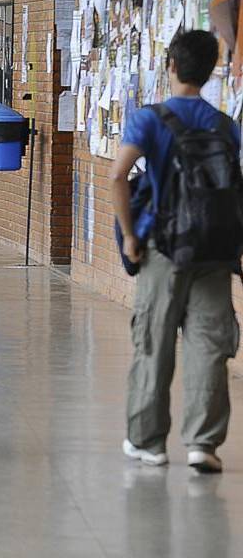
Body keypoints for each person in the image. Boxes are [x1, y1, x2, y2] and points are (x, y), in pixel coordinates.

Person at [110, 29, 241, 474]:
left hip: (163, 248)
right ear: (209, 71)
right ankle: (204, 443)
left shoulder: (149, 119)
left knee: (154, 341)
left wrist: (129, 235)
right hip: (214, 250)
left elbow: (117, 177)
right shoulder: (226, 125)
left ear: (170, 66)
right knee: (208, 346)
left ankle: (148, 442)